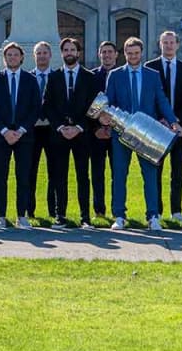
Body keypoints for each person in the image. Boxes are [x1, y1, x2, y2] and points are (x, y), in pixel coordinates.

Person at [104, 37, 181, 231]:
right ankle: (119, 216)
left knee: (150, 175)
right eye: (129, 53)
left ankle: (153, 216)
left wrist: (173, 121)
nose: (133, 56)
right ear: (125, 54)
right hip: (122, 132)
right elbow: (108, 103)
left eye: (136, 53)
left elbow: (161, 100)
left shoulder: (152, 75)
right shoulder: (115, 75)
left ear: (142, 53)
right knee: (119, 175)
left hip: (147, 132)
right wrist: (104, 117)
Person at [0, 42, 41, 229]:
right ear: (5, 58)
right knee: (0, 176)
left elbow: (35, 108)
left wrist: (20, 130)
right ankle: (1, 215)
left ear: (21, 57)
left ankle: (21, 215)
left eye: (15, 55)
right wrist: (4, 131)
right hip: (0, 135)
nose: (12, 58)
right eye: (8, 55)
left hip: (23, 136)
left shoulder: (30, 80)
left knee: (23, 176)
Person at [44, 37, 95, 228]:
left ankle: (85, 217)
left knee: (83, 176)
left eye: (72, 49)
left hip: (82, 134)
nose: (69, 53)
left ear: (78, 53)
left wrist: (79, 127)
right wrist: (60, 127)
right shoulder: (54, 77)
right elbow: (47, 106)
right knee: (59, 176)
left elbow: (94, 107)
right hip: (59, 134)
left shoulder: (90, 77)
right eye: (66, 50)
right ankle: (61, 215)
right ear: (62, 53)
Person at [146, 31, 182, 221]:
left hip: (180, 128)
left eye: (171, 42)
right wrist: (162, 119)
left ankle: (176, 211)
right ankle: (156, 211)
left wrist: (177, 121)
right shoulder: (150, 67)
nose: (168, 46)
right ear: (160, 45)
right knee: (156, 170)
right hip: (158, 127)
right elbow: (149, 98)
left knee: (177, 171)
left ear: (177, 45)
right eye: (164, 42)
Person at [88, 41, 120, 221]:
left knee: (118, 173)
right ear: (99, 55)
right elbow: (86, 105)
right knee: (97, 173)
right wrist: (96, 128)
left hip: (117, 132)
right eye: (104, 52)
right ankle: (99, 210)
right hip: (97, 134)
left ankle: (118, 211)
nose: (107, 55)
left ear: (116, 55)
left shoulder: (123, 75)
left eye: (110, 52)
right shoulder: (92, 77)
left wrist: (113, 126)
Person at [29, 40, 56, 219]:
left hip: (52, 129)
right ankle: (29, 211)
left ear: (50, 55)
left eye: (45, 53)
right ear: (34, 56)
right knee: (30, 171)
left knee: (54, 172)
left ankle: (53, 211)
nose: (42, 56)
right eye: (38, 53)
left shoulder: (57, 77)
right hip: (32, 130)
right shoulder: (27, 78)